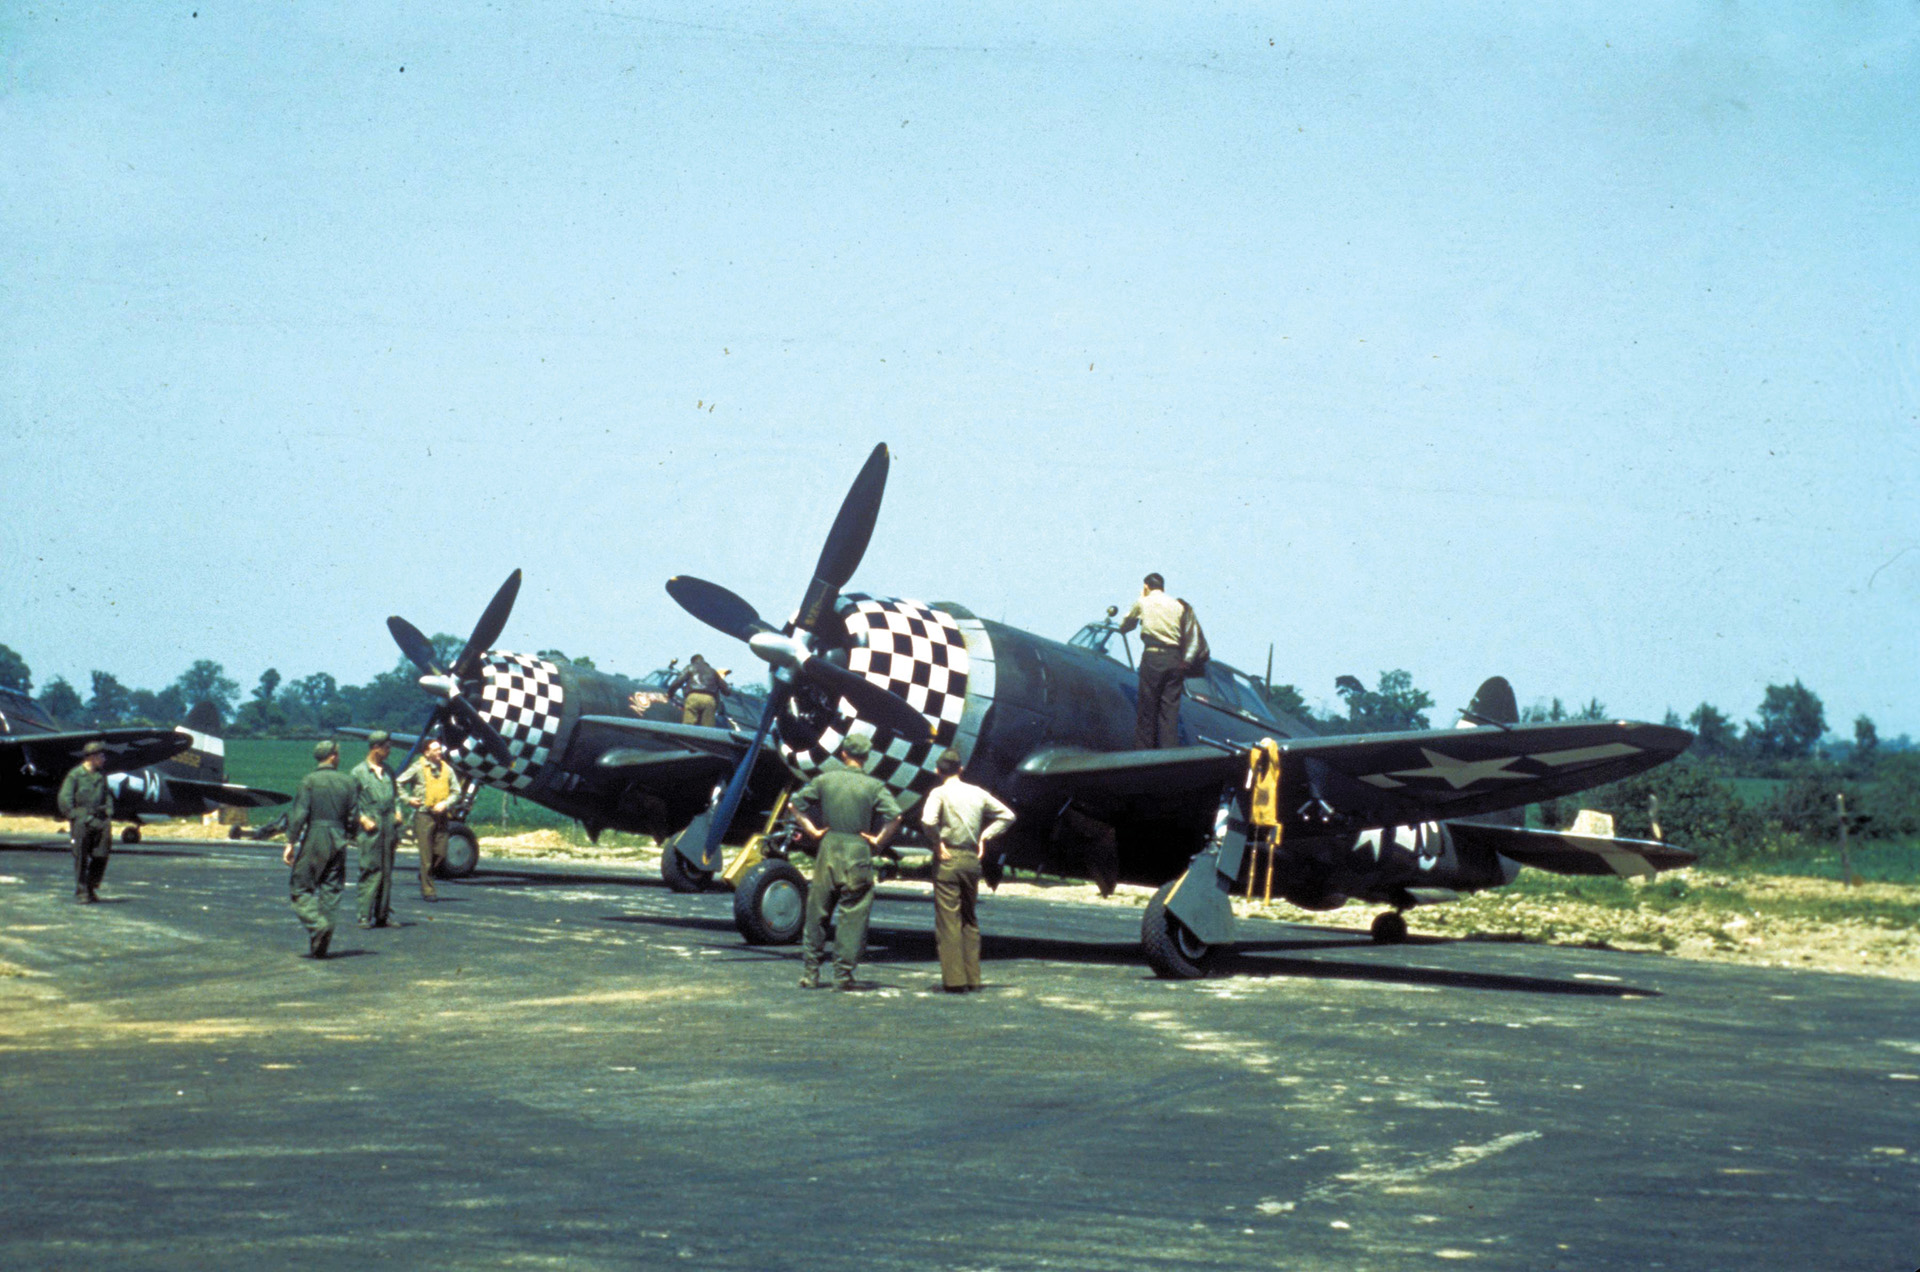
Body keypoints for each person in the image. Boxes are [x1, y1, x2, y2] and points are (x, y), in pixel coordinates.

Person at [791, 734, 903, 990]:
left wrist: (812, 831)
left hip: (828, 848)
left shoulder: (824, 780)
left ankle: (811, 973)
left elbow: (794, 805)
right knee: (853, 915)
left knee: (816, 912)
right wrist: (878, 841)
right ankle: (842, 976)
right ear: (866, 757)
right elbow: (896, 816)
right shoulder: (874, 786)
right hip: (858, 850)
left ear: (843, 754)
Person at [918, 748, 1015, 993]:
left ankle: (954, 981)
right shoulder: (978, 793)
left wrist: (937, 841)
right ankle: (973, 978)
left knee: (949, 919)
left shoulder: (938, 793)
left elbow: (928, 821)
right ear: (961, 769)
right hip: (972, 859)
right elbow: (1008, 816)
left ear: (938, 771)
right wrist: (985, 836)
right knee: (970, 919)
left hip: (948, 857)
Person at [284, 740, 358, 958]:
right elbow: (354, 817)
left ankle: (317, 925)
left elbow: (299, 815)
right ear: (333, 756)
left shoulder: (309, 781)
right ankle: (320, 948)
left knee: (299, 887)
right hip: (339, 839)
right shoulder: (349, 782)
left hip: (316, 836)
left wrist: (290, 842)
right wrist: (347, 836)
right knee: (331, 890)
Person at [1116, 572, 1190, 748]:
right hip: (1175, 659)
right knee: (1169, 712)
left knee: (1147, 709)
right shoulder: (1178, 606)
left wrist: (1142, 597)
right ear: (1163, 587)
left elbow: (1124, 626)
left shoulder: (1144, 601)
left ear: (1146, 586)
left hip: (1154, 657)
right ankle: (1168, 756)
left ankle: (1143, 755)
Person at [348, 730, 403, 928]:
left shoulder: (388, 771)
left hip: (389, 824)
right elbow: (350, 803)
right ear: (375, 748)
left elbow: (395, 796)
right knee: (371, 870)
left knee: (387, 871)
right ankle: (364, 915)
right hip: (370, 826)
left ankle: (382, 915)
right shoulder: (358, 773)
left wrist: (398, 811)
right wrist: (362, 819)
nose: (389, 751)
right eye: (386, 747)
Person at [398, 739, 464, 902]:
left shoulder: (447, 769)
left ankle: (424, 875)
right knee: (426, 855)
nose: (440, 752)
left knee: (440, 853)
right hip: (424, 816)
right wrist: (408, 799)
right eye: (435, 749)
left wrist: (445, 804)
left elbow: (457, 791)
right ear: (427, 753)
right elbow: (398, 783)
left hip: (441, 816)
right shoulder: (418, 768)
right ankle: (428, 890)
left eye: (440, 749)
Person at [56, 740, 114, 903]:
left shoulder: (101, 776)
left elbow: (107, 795)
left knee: (101, 855)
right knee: (81, 857)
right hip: (82, 821)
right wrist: (76, 816)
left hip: (100, 820)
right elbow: (64, 800)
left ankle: (91, 887)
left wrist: (109, 811)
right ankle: (82, 891)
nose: (104, 759)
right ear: (92, 757)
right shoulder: (75, 775)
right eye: (101, 756)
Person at [667, 654, 728, 728]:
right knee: (708, 729)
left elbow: (678, 681)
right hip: (709, 700)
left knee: (688, 726)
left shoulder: (690, 667)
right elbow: (726, 690)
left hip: (693, 697)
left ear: (692, 661)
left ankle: (687, 738)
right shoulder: (713, 671)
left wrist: (670, 694)